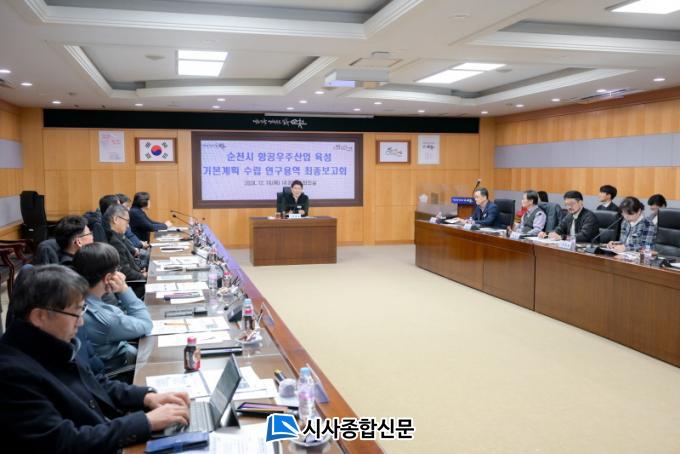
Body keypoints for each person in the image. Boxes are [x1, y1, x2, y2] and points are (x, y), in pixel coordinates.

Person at [0, 265, 189, 453]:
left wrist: (147, 397)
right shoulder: (11, 374)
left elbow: (94, 383)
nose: (81, 321)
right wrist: (145, 422)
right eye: (76, 312)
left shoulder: (50, 341)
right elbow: (63, 443)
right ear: (40, 316)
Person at [73, 243, 152, 372]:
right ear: (108, 278)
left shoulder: (76, 298)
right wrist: (124, 290)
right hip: (123, 370)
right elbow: (146, 324)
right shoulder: (103, 317)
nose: (120, 274)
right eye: (117, 269)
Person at [104, 204, 147, 282]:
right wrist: (142, 275)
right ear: (116, 219)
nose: (128, 226)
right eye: (127, 221)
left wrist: (139, 270)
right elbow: (124, 271)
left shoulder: (116, 236)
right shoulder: (114, 241)